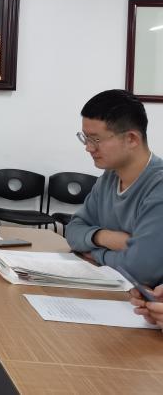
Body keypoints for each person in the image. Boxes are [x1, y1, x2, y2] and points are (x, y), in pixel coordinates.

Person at [66, 89, 163, 286]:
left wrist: (96, 254)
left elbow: (141, 269)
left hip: (145, 299)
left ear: (131, 139)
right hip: (114, 287)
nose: (89, 147)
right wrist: (104, 237)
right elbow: (73, 230)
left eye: (96, 139)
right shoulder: (110, 177)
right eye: (85, 138)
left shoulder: (157, 185)